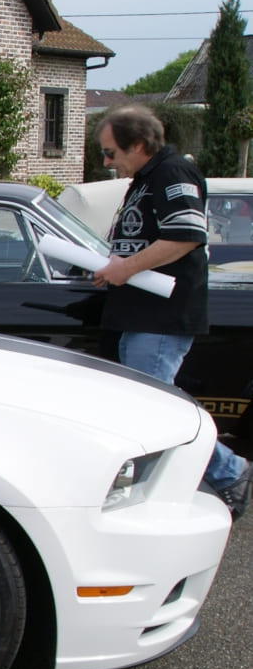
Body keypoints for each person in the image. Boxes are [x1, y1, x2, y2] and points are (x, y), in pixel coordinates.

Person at [94, 104, 251, 519]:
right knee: (150, 406)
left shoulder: (172, 173)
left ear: (140, 144)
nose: (107, 162)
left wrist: (124, 269)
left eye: (111, 153)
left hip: (160, 316)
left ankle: (229, 471)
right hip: (142, 313)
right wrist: (113, 267)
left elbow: (184, 237)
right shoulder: (148, 177)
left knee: (158, 408)